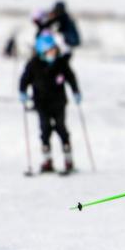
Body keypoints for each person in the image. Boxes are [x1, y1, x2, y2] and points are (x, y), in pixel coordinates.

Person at [19, 34, 81, 174]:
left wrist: (76, 91)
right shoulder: (34, 64)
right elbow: (24, 79)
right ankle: (47, 161)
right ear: (42, 51)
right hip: (41, 103)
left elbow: (71, 78)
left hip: (59, 102)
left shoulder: (61, 63)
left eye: (54, 49)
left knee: (61, 128)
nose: (53, 52)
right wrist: (22, 92)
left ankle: (68, 160)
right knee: (45, 129)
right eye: (49, 50)